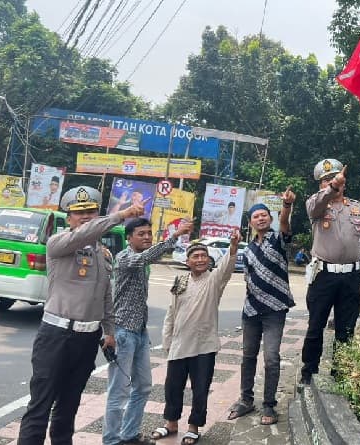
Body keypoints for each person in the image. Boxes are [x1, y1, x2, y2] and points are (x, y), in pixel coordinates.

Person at [17, 186, 144, 444]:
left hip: (87, 339)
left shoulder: (103, 254)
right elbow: (84, 235)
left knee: (69, 404)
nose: (85, 217)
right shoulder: (59, 243)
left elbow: (105, 294)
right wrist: (120, 216)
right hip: (56, 336)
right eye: (79, 212)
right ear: (69, 217)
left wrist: (109, 331)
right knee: (40, 404)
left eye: (91, 211)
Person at [103, 217, 193, 445]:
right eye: (141, 234)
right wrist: (174, 236)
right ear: (128, 237)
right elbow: (145, 257)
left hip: (140, 333)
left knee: (143, 386)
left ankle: (129, 435)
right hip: (122, 331)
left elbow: (147, 258)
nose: (146, 237)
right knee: (118, 391)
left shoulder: (142, 261)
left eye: (148, 233)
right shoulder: (125, 258)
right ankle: (112, 440)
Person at [299, 159, 360, 385]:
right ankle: (308, 373)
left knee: (346, 328)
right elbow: (315, 204)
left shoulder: (356, 208)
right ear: (321, 185)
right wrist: (330, 189)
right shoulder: (316, 205)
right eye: (325, 180)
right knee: (316, 325)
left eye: (335, 178)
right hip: (323, 275)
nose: (331, 183)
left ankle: (341, 374)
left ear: (344, 181)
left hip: (350, 277)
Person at [151, 230, 240, 444]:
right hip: (179, 344)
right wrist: (167, 340)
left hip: (204, 346)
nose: (200, 259)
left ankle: (194, 427)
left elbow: (226, 268)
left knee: (200, 389)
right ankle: (171, 424)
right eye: (196, 256)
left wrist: (234, 247)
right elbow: (171, 313)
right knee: (172, 387)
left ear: (209, 260)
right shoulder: (180, 281)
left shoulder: (214, 281)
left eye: (204, 256)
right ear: (187, 261)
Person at [227, 188, 297, 426]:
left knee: (271, 358)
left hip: (275, 310)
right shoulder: (247, 250)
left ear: (270, 218)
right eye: (256, 216)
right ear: (251, 222)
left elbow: (285, 223)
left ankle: (269, 405)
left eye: (264, 215)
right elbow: (247, 278)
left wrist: (286, 206)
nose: (261, 218)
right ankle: (246, 400)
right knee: (248, 356)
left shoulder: (278, 239)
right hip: (251, 311)